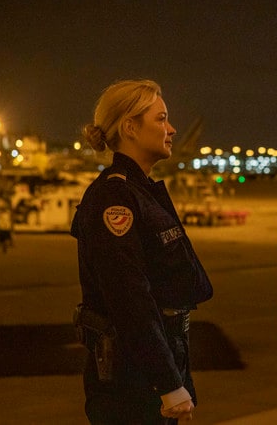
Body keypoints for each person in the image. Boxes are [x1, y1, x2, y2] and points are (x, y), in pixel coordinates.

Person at [71, 79, 213, 424]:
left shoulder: (139, 191)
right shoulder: (116, 197)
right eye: (161, 119)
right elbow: (128, 297)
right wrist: (166, 383)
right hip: (130, 384)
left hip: (146, 370)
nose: (172, 129)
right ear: (130, 127)